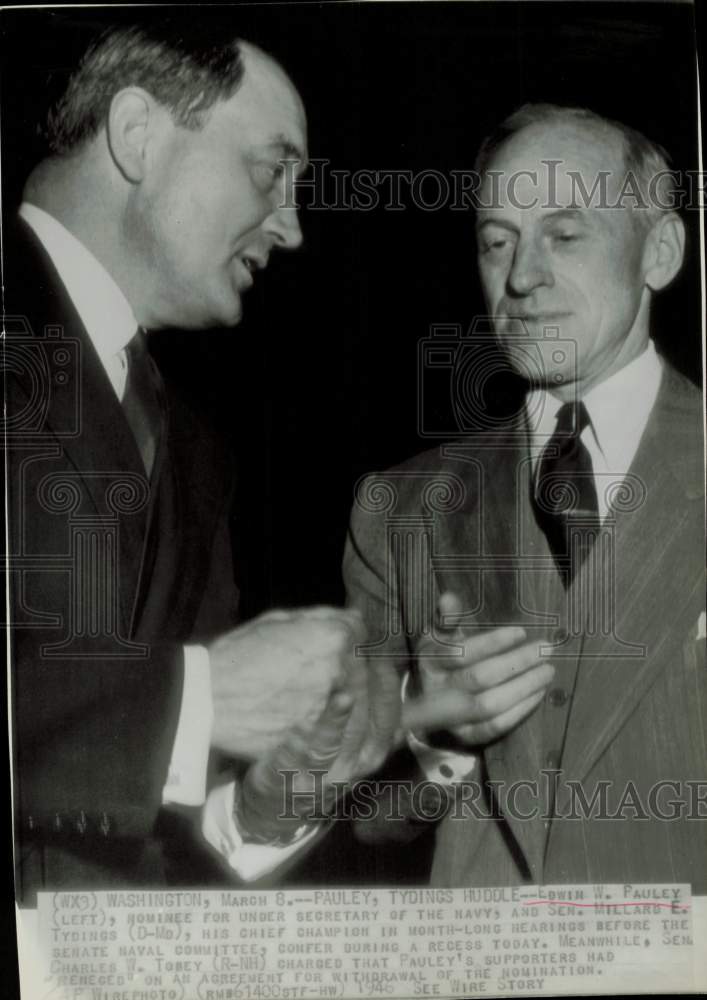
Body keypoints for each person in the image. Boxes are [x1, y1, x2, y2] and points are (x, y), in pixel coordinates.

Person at [4, 20, 393, 902]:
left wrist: (265, 803)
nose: (291, 227)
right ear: (139, 135)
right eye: (271, 169)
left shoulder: (196, 453)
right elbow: (175, 708)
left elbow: (160, 827)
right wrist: (197, 698)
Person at [344, 104, 706, 889]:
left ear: (662, 251)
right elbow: (357, 817)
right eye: (496, 241)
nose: (520, 277)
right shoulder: (397, 509)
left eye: (564, 235)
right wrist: (427, 730)